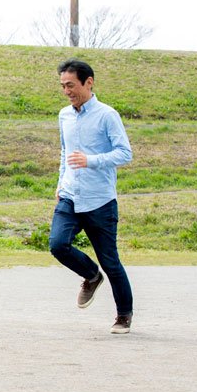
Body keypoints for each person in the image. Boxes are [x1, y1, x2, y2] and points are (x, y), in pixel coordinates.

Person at [48, 59, 134, 334]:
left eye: (70, 85)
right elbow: (65, 152)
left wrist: (91, 160)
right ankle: (90, 275)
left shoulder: (108, 115)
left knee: (111, 261)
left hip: (100, 201)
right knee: (57, 245)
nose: (66, 91)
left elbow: (124, 154)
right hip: (71, 196)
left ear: (89, 82)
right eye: (62, 86)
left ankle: (123, 317)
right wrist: (61, 183)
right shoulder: (64, 115)